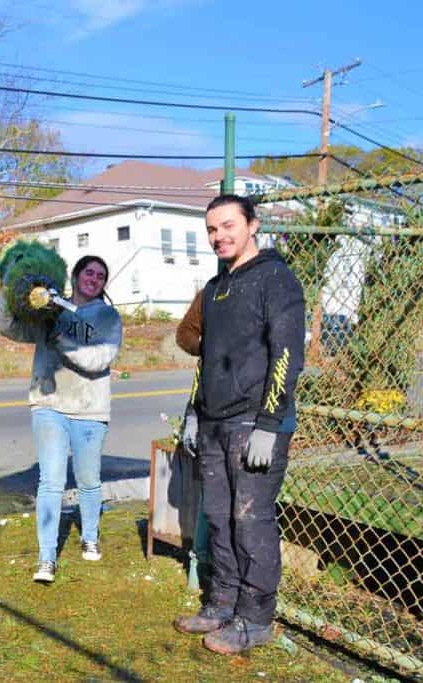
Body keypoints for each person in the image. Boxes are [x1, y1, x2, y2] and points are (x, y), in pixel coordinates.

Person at [174, 194, 305, 655]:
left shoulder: (276, 279)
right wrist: (194, 410)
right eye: (211, 229)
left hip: (255, 422)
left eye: (227, 226)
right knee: (220, 519)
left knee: (251, 522)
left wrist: (270, 424)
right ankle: (222, 603)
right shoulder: (214, 289)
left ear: (252, 225)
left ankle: (255, 618)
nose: (218, 236)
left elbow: (287, 355)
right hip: (212, 422)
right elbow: (206, 359)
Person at [0, 255, 122, 583]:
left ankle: (90, 535)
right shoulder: (50, 308)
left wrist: (62, 343)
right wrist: (7, 291)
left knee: (88, 481)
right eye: (89, 272)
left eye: (100, 276)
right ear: (77, 276)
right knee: (50, 481)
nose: (94, 278)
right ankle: (46, 557)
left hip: (90, 409)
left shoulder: (108, 317)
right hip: (48, 404)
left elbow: (99, 359)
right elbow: (10, 327)